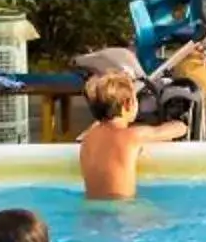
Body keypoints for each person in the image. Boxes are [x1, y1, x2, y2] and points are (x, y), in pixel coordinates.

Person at [78, 70, 189, 200]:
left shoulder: (89, 137)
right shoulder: (132, 136)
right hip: (121, 206)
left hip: (91, 207)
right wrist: (180, 123)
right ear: (127, 104)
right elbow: (177, 129)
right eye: (136, 99)